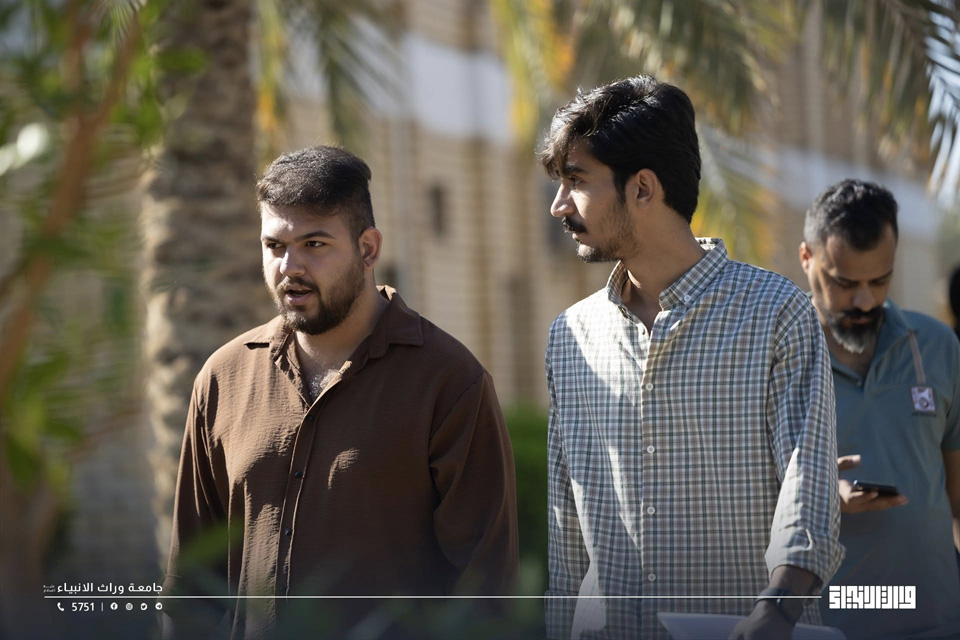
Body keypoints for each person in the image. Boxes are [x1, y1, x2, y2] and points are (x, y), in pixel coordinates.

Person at [162, 146, 518, 639]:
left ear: (368, 250)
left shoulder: (450, 382)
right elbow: (191, 593)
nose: (289, 266)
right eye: (274, 246)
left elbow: (485, 596)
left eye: (314, 244)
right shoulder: (222, 378)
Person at [541, 75, 844, 640]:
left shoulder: (775, 314)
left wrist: (775, 613)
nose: (559, 205)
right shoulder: (570, 336)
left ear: (643, 188)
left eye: (576, 181)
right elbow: (566, 528)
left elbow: (808, 489)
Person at [799, 179, 960, 639]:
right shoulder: (774, 359)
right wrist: (819, 499)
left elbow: (957, 495)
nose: (865, 301)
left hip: (937, 623)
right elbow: (734, 500)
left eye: (880, 280)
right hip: (830, 626)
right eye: (845, 283)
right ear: (807, 258)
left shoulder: (938, 347)